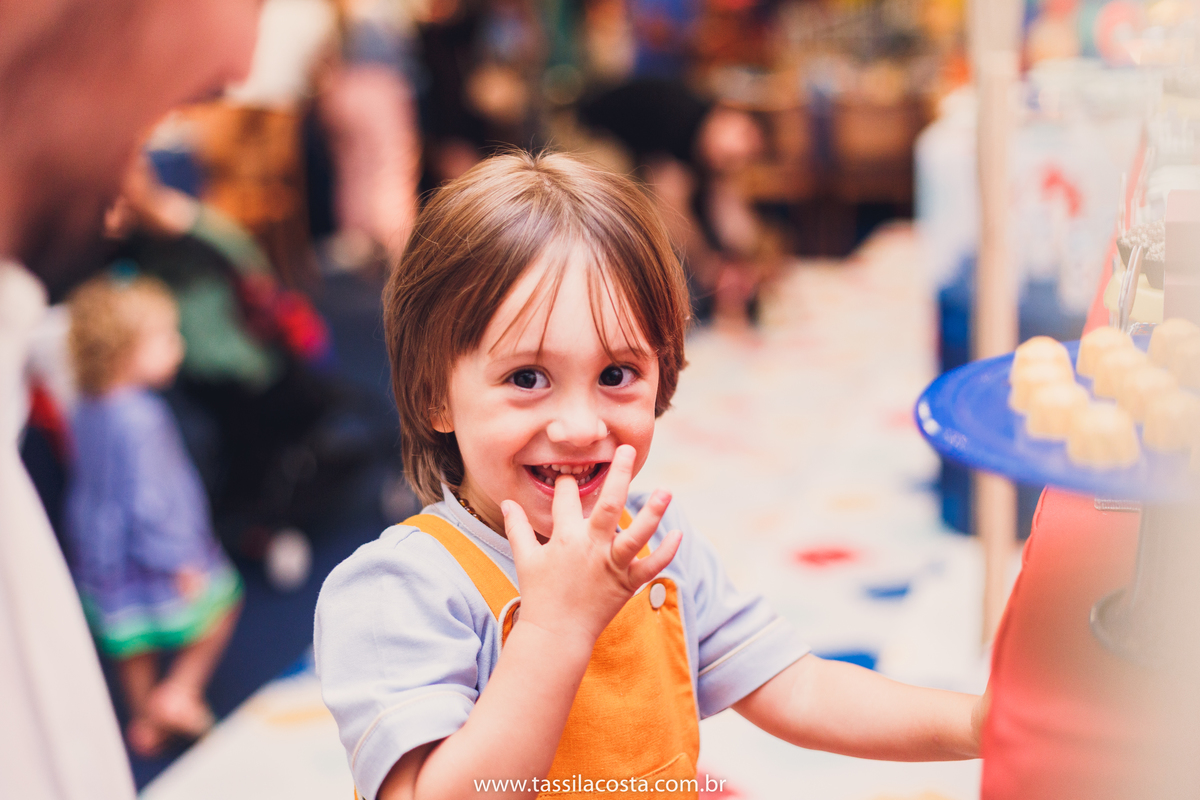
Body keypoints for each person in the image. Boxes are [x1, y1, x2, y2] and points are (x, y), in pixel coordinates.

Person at [314, 151, 985, 800]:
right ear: (434, 394)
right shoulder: (403, 589)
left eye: (616, 374)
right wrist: (554, 630)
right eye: (527, 378)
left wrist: (980, 723)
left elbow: (799, 688)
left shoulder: (657, 546)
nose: (580, 426)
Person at [0, 3, 261, 798]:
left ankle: (151, 705)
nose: (242, 68)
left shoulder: (66, 398)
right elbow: (152, 497)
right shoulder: (137, 418)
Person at [64, 274, 243, 757]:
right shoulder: (145, 417)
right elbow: (153, 499)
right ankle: (179, 692)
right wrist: (181, 557)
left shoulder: (85, 406)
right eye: (166, 338)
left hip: (105, 555)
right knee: (223, 604)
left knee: (131, 640)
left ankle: (143, 720)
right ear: (125, 353)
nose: (178, 347)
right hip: (157, 552)